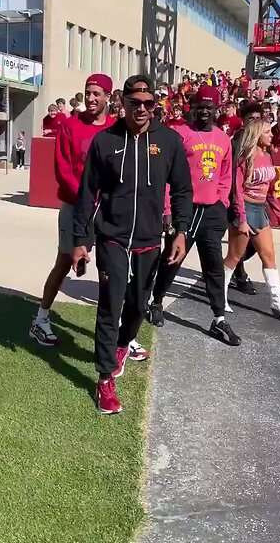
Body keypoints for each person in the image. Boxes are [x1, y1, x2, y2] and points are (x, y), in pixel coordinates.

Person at [70, 74, 192, 414]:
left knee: (138, 306)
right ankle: (105, 378)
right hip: (112, 236)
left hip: (150, 240)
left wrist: (181, 232)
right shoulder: (104, 141)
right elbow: (86, 194)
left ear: (155, 105)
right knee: (111, 304)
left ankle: (123, 344)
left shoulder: (168, 141)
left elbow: (182, 191)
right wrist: (81, 240)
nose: (141, 109)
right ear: (122, 102)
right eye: (135, 103)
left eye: (148, 103)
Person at [30, 74, 120, 349]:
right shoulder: (70, 126)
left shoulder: (117, 128)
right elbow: (63, 169)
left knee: (111, 268)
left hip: (108, 209)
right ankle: (40, 320)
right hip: (76, 206)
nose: (91, 98)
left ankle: (116, 331)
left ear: (108, 97)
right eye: (87, 93)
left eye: (96, 94)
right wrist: (86, 199)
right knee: (64, 262)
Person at [147, 86, 242, 345]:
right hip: (184, 209)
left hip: (211, 211)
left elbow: (226, 175)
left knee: (214, 267)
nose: (204, 112)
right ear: (194, 107)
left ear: (217, 109)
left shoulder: (223, 139)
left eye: (209, 108)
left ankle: (219, 318)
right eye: (201, 107)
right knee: (172, 259)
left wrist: (222, 202)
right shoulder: (181, 134)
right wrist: (168, 208)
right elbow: (167, 175)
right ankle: (157, 301)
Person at [222, 120, 280, 321]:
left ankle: (277, 302)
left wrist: (278, 211)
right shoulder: (244, 157)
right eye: (267, 132)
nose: (271, 135)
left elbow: (270, 189)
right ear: (256, 134)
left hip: (260, 209)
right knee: (234, 257)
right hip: (245, 209)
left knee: (269, 256)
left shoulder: (267, 156)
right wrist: (241, 218)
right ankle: (219, 295)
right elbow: (237, 191)